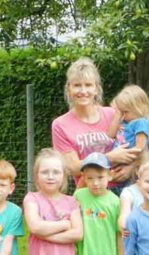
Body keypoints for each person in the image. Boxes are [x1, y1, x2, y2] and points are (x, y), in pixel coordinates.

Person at [52, 57, 139, 186]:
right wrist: (109, 158)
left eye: (88, 85)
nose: (83, 91)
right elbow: (73, 168)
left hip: (125, 190)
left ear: (96, 88)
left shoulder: (113, 114)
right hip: (90, 196)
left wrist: (131, 168)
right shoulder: (60, 125)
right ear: (68, 89)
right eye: (77, 85)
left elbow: (139, 146)